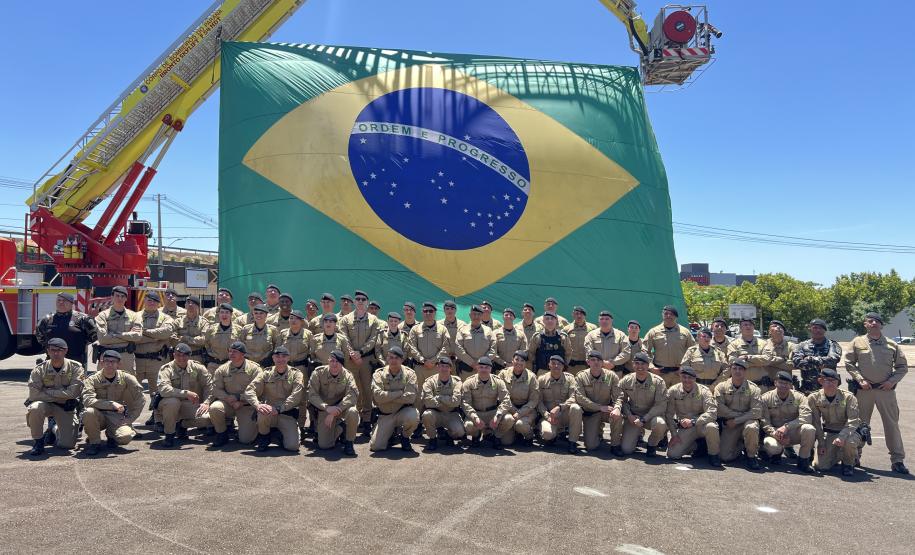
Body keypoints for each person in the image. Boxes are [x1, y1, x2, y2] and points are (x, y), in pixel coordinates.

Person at [844, 312, 909, 474]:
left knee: (892, 425)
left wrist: (891, 381)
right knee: (859, 424)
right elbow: (849, 363)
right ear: (865, 324)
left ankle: (897, 460)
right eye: (870, 321)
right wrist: (860, 379)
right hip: (864, 390)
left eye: (877, 321)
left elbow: (902, 367)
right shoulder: (857, 342)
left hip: (885, 391)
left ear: (881, 325)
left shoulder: (892, 344)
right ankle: (854, 455)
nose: (873, 323)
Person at [26, 338, 86, 456]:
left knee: (67, 445)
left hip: (65, 407)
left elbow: (73, 394)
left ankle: (53, 427)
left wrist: (47, 391)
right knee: (35, 407)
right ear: (48, 351)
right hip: (45, 405)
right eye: (53, 350)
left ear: (66, 351)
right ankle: (38, 442)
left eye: (60, 350)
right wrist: (62, 394)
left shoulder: (76, 367)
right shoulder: (39, 369)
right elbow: (33, 395)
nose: (56, 353)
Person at [81, 349, 145, 455]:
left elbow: (141, 398)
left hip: (116, 417)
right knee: (88, 412)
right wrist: (111, 404)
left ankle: (111, 435)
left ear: (118, 364)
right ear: (101, 363)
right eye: (107, 361)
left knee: (126, 437)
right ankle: (94, 442)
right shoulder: (92, 379)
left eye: (113, 361)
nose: (109, 364)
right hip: (98, 415)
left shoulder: (126, 377)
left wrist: (131, 418)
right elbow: (88, 399)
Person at [243, 346, 305, 452]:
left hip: (286, 414)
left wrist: (280, 408)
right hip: (269, 414)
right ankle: (264, 436)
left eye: (284, 356)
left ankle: (277, 434)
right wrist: (258, 405)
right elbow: (249, 391)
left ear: (288, 358)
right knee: (262, 412)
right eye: (277, 356)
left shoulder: (296, 374)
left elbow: (296, 396)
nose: (280, 359)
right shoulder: (265, 373)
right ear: (273, 358)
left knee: (292, 447)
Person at [340, 290, 385, 432]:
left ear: (367, 302)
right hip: (350, 359)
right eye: (358, 299)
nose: (360, 301)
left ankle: (366, 419)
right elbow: (343, 337)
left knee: (366, 389)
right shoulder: (345, 319)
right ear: (354, 302)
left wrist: (360, 352)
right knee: (351, 388)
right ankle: (352, 417)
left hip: (366, 360)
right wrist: (352, 353)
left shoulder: (374, 320)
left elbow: (373, 339)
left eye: (363, 299)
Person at [133, 292, 177, 427]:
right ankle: (126, 421)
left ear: (159, 304)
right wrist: (155, 336)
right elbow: (133, 336)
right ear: (144, 301)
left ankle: (158, 420)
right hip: (137, 360)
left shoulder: (166, 318)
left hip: (157, 360)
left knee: (158, 392)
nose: (151, 303)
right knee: (131, 391)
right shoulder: (135, 316)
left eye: (155, 301)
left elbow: (166, 333)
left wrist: (143, 332)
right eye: (149, 300)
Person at [157, 343, 213, 448]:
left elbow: (208, 386)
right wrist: (186, 393)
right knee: (173, 402)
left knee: (208, 418)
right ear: (173, 354)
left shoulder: (198, 368)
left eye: (184, 355)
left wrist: (206, 402)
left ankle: (181, 425)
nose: (181, 358)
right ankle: (169, 435)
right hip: (169, 406)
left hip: (189, 405)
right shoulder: (166, 369)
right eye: (178, 355)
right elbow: (164, 389)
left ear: (189, 355)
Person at [808, 369, 861, 476]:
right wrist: (821, 444)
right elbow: (816, 423)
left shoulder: (849, 397)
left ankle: (848, 463)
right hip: (830, 433)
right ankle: (840, 454)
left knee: (849, 442)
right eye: (828, 380)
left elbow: (853, 421)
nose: (831, 383)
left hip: (849, 432)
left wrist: (842, 436)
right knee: (820, 466)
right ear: (820, 381)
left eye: (834, 381)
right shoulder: (814, 398)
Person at [209, 341, 262, 447]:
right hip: (229, 403)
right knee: (215, 408)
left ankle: (255, 430)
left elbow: (259, 390)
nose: (231, 354)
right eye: (230, 351)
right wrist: (228, 398)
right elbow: (216, 389)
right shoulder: (222, 369)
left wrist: (241, 399)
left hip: (247, 405)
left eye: (235, 352)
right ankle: (222, 433)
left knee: (245, 440)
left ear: (243, 354)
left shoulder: (255, 369)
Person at [760, 370, 815, 472]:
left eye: (787, 383)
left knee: (809, 429)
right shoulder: (766, 398)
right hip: (775, 433)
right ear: (775, 383)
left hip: (793, 432)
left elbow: (806, 416)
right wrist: (775, 433)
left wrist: (787, 427)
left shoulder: (799, 397)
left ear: (791, 385)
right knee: (772, 446)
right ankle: (776, 454)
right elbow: (764, 422)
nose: (783, 386)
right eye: (780, 382)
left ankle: (803, 461)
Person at [665, 366, 720, 466]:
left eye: (690, 377)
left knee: (712, 426)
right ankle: (700, 446)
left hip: (701, 425)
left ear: (695, 378)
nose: (687, 380)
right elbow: (668, 414)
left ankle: (714, 455)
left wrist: (693, 421)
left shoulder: (704, 391)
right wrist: (674, 434)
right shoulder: (673, 391)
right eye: (684, 377)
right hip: (686, 428)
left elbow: (712, 412)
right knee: (673, 454)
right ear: (680, 377)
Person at [308, 350, 359, 456]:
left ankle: (349, 442)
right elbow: (312, 395)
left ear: (342, 363)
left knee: (353, 411)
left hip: (341, 409)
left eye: (337, 362)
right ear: (328, 361)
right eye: (332, 361)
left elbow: (352, 395)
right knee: (324, 445)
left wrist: (335, 411)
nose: (334, 364)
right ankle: (341, 427)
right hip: (325, 409)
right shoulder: (318, 373)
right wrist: (326, 408)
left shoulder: (348, 375)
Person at [714, 359, 763, 470]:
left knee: (752, 427)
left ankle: (751, 456)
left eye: (741, 369)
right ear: (730, 370)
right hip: (731, 423)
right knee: (724, 457)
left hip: (744, 421)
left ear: (745, 371)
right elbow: (720, 409)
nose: (737, 371)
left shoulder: (754, 389)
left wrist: (737, 419)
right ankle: (742, 445)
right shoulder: (721, 387)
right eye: (734, 368)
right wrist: (740, 415)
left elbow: (756, 411)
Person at [616, 352, 668, 457]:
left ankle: (652, 445)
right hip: (634, 417)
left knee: (660, 424)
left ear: (648, 365)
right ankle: (635, 437)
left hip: (651, 416)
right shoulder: (627, 380)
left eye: (643, 364)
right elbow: (621, 399)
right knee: (626, 450)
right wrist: (629, 415)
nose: (640, 366)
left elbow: (660, 405)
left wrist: (644, 419)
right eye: (637, 363)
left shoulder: (658, 382)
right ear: (633, 365)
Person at [369, 346, 419, 452]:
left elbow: (410, 398)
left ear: (402, 359)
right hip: (385, 415)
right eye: (391, 357)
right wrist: (400, 393)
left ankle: (405, 437)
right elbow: (378, 397)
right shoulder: (379, 374)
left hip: (402, 412)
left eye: (397, 358)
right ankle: (392, 433)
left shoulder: (410, 374)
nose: (393, 360)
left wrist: (387, 397)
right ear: (387, 359)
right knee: (375, 447)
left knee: (413, 416)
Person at [574, 351, 623, 453]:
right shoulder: (581, 376)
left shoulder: (611, 376)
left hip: (606, 410)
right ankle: (597, 433)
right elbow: (580, 397)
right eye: (593, 360)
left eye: (599, 360)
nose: (596, 362)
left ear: (602, 363)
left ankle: (615, 444)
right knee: (591, 446)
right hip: (591, 412)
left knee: (617, 415)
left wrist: (617, 407)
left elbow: (619, 395)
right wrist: (599, 407)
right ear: (588, 362)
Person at [461, 356, 514, 449]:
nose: (484, 370)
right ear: (477, 367)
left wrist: (498, 416)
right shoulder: (469, 382)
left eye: (487, 367)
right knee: (469, 425)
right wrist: (475, 417)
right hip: (477, 412)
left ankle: (496, 436)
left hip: (492, 413)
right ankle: (476, 436)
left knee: (509, 420)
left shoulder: (498, 382)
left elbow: (506, 400)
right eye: (481, 367)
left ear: (491, 369)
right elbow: (465, 403)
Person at [36, 291, 97, 368]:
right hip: (52, 361)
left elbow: (94, 335)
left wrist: (81, 344)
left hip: (76, 362)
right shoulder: (46, 319)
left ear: (72, 303)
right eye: (59, 300)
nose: (61, 303)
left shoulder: (83, 319)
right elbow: (40, 337)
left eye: (64, 300)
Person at [536, 355, 583, 454]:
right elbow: (539, 402)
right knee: (547, 434)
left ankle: (572, 442)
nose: (556, 366)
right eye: (553, 363)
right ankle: (555, 434)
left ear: (563, 366)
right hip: (549, 416)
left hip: (564, 414)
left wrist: (560, 407)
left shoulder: (570, 379)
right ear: (549, 365)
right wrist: (546, 415)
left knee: (576, 408)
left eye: (559, 364)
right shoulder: (541, 380)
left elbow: (574, 397)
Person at [95, 285, 143, 374]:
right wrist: (128, 335)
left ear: (126, 299)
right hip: (107, 357)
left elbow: (137, 336)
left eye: (123, 296)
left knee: (127, 385)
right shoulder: (103, 316)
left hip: (126, 357)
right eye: (117, 296)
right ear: (112, 297)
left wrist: (115, 334)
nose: (120, 298)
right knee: (104, 385)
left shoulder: (134, 316)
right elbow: (102, 339)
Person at [643, 305, 695, 387]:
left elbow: (693, 351)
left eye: (671, 314)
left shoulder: (685, 332)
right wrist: (651, 367)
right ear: (662, 315)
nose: (668, 316)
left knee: (678, 398)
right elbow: (644, 350)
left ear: (676, 316)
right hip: (660, 374)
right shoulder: (653, 332)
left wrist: (685, 367)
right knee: (660, 398)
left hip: (679, 375)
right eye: (666, 313)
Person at [421, 356, 465, 450]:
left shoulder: (457, 382)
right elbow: (428, 402)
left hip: (451, 414)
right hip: (435, 413)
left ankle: (448, 435)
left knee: (460, 432)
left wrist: (439, 398)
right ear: (437, 367)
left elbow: (456, 402)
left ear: (451, 368)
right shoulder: (430, 382)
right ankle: (433, 438)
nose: (444, 368)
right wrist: (448, 400)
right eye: (441, 366)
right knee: (427, 414)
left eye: (446, 366)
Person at [497, 351, 540, 446]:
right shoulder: (503, 374)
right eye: (516, 359)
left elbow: (534, 400)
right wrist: (514, 411)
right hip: (509, 409)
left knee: (520, 424)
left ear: (526, 364)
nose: (519, 362)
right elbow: (502, 396)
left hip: (526, 410)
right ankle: (515, 433)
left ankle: (529, 436)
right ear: (512, 360)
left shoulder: (531, 377)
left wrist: (520, 413)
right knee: (506, 442)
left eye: (522, 361)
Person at [791, 319, 841, 394]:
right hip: (807, 388)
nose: (818, 330)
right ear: (810, 329)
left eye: (820, 328)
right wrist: (821, 363)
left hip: (829, 387)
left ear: (825, 330)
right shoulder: (802, 345)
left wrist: (810, 359)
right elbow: (797, 362)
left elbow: (834, 359)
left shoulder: (832, 344)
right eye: (815, 328)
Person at [453, 305, 497, 380]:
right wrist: (472, 363)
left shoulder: (488, 331)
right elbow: (458, 348)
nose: (476, 316)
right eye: (474, 314)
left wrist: (482, 363)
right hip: (466, 370)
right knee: (466, 390)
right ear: (470, 315)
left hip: (484, 369)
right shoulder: (462, 330)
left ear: (482, 315)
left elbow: (493, 349)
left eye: (479, 314)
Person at [726, 318, 769, 390]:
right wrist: (758, 362)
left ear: (754, 327)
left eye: (750, 325)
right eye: (745, 325)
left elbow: (767, 360)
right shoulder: (733, 345)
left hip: (761, 385)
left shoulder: (764, 343)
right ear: (740, 328)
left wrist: (747, 358)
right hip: (742, 386)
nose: (748, 327)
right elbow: (732, 361)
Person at [583, 311, 630, 377]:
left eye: (607, 319)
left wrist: (613, 362)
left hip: (615, 372)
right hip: (596, 371)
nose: (604, 321)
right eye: (601, 319)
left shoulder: (621, 335)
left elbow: (626, 353)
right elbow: (589, 352)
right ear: (598, 321)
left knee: (614, 387)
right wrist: (602, 363)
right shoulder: (591, 335)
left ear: (612, 320)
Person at [203, 303, 243, 372]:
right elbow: (206, 345)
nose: (224, 315)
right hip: (213, 365)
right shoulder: (211, 329)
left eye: (227, 312)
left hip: (231, 365)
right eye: (222, 312)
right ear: (219, 315)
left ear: (231, 315)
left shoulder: (239, 330)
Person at [172, 295, 207, 364]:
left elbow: (204, 340)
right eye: (188, 302)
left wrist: (185, 339)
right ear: (185, 305)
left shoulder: (204, 322)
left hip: (197, 358)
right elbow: (172, 339)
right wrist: (194, 340)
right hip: (180, 358)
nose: (190, 305)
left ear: (198, 306)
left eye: (193, 303)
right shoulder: (178, 321)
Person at [760, 320, 795, 389]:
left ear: (784, 332)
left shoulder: (791, 346)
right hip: (767, 385)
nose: (778, 327)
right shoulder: (763, 344)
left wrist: (770, 361)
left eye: (781, 327)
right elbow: (761, 361)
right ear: (769, 331)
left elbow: (792, 365)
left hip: (785, 386)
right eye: (774, 326)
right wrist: (783, 359)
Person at [563, 306, 597, 374]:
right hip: (571, 367)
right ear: (573, 315)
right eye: (576, 313)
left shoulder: (593, 328)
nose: (579, 316)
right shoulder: (567, 329)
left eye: (581, 314)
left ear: (585, 315)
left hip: (587, 366)